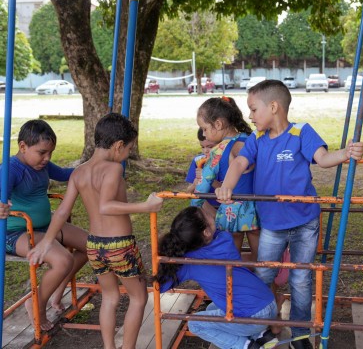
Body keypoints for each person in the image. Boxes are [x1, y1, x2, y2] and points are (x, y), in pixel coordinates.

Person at [216, 80, 363, 349]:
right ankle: (262, 329)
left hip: (304, 222)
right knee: (264, 276)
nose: (249, 116)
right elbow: (239, 162)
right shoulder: (257, 140)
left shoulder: (300, 132)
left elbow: (322, 158)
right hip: (272, 224)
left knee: (300, 280)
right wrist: (227, 185)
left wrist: (346, 153)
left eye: (253, 109)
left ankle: (300, 333)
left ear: (273, 107)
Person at [27, 113, 164, 349]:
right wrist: (146, 206)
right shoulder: (113, 169)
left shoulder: (79, 171)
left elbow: (61, 212)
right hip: (119, 246)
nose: (128, 154)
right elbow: (106, 205)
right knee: (139, 297)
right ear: (119, 145)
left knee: (110, 297)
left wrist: (46, 242)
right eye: (129, 149)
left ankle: (109, 347)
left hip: (95, 246)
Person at [0, 119, 88, 331]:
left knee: (93, 247)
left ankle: (56, 292)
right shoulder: (11, 169)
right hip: (16, 232)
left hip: (45, 226)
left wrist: (96, 162)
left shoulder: (42, 165)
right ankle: (36, 302)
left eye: (50, 153)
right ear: (23, 147)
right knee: (63, 260)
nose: (47, 158)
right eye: (42, 152)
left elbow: (68, 174)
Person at [155, 206, 278, 349]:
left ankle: (246, 346)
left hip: (253, 317)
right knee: (212, 308)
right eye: (207, 214)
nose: (211, 213)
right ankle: (262, 335)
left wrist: (164, 260)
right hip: (268, 303)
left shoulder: (188, 262)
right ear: (206, 232)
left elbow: (161, 286)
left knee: (195, 324)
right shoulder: (224, 239)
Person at [192, 96, 260, 262]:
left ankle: (233, 286)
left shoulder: (219, 151)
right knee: (263, 261)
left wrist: (194, 207)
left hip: (230, 210)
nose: (204, 133)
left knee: (231, 259)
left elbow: (203, 185)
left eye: (205, 128)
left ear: (218, 124)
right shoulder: (253, 140)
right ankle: (267, 287)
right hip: (258, 207)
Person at [185, 128, 220, 207]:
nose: (205, 151)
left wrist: (207, 177)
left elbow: (228, 190)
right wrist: (194, 184)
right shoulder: (197, 161)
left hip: (223, 206)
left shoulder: (226, 162)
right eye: (202, 147)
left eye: (210, 147)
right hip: (204, 207)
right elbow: (188, 193)